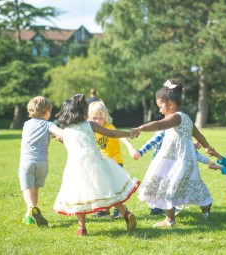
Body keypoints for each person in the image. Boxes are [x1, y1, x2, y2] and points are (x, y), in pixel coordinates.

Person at [53, 94, 140, 236]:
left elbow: (75, 144)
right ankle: (126, 213)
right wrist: (129, 133)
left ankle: (82, 227)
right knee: (109, 189)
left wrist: (61, 140)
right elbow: (111, 133)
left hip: (75, 168)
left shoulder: (66, 131)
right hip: (96, 163)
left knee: (79, 195)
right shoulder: (90, 125)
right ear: (83, 113)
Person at [131, 79, 213, 227]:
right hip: (187, 157)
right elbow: (199, 135)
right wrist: (207, 147)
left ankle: (170, 220)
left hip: (176, 158)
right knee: (190, 183)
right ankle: (206, 207)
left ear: (170, 104)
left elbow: (159, 124)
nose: (160, 111)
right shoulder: (186, 117)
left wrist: (140, 128)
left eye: (161, 107)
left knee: (168, 183)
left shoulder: (175, 117)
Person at [132, 131, 219, 216]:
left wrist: (208, 162)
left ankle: (203, 204)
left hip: (171, 166)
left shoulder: (175, 132)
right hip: (164, 165)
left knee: (171, 187)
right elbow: (154, 141)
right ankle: (158, 208)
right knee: (159, 186)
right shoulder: (169, 131)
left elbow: (192, 153)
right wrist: (140, 152)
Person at [87, 100, 137, 219]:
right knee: (102, 186)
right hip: (100, 162)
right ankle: (104, 210)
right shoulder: (89, 130)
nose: (97, 121)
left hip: (115, 161)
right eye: (94, 118)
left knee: (115, 186)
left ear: (105, 117)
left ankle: (119, 210)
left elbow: (121, 137)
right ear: (88, 117)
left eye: (100, 117)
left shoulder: (109, 127)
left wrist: (131, 148)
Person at [18, 96, 63, 227]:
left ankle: (32, 207)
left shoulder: (27, 124)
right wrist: (60, 136)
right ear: (48, 111)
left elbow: (35, 133)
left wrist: (54, 135)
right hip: (42, 163)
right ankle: (28, 215)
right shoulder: (49, 124)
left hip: (27, 162)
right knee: (35, 189)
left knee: (27, 189)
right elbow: (60, 132)